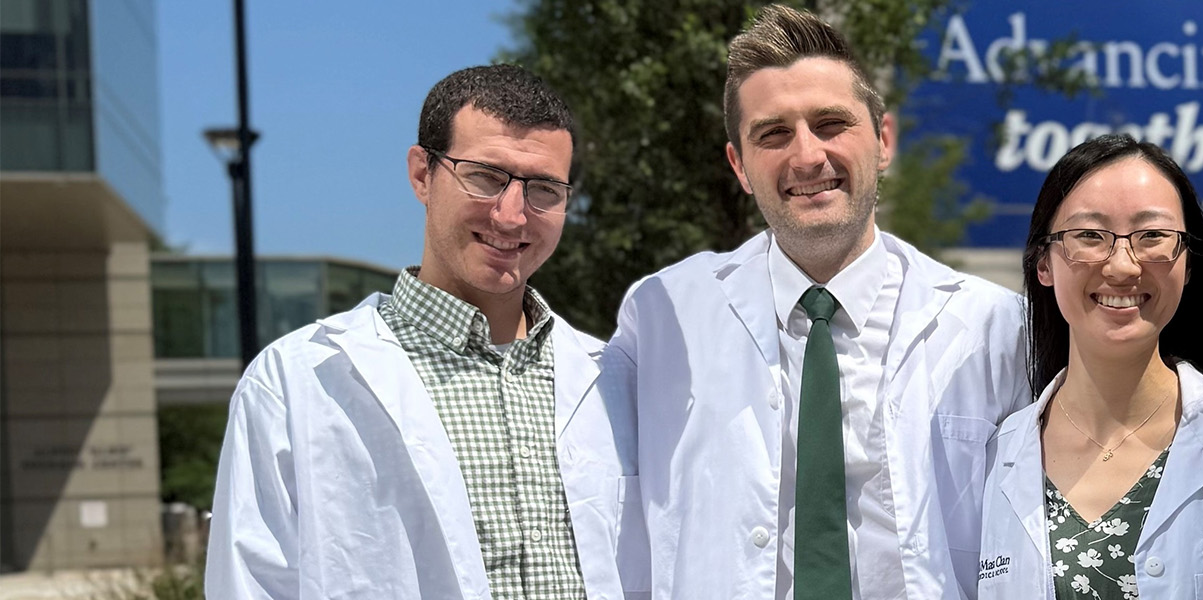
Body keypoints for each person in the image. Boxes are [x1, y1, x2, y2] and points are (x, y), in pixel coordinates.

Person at [598, 5, 1029, 599]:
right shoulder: (660, 317)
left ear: (883, 141)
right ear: (739, 166)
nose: (806, 156)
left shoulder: (995, 326)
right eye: (773, 134)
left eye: (830, 124)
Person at [205, 64, 632, 599]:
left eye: (544, 189)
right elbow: (251, 584)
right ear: (422, 175)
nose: (512, 216)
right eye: (486, 177)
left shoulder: (617, 379)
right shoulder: (296, 381)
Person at [976, 135, 1203, 599]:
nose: (1123, 267)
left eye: (1153, 237)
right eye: (1090, 236)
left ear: (1188, 263)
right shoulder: (990, 460)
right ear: (1043, 263)